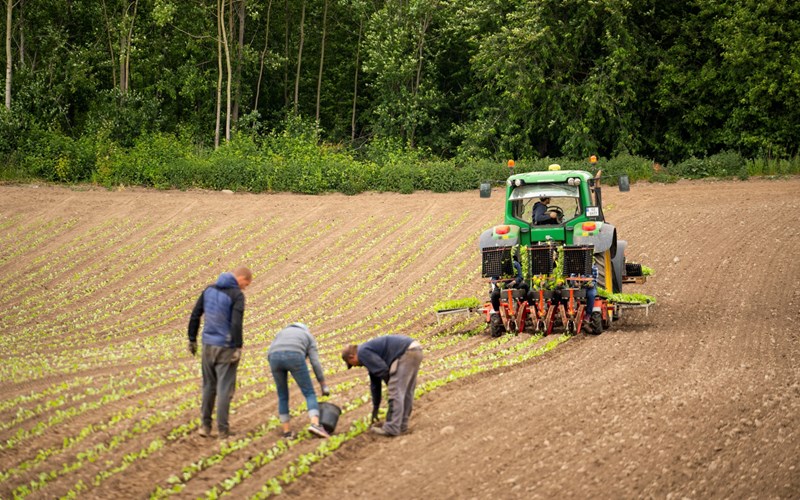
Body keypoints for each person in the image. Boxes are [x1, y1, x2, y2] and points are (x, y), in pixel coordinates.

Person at [187, 267, 252, 439]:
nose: (245, 287)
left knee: (209, 386)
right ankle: (223, 430)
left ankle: (205, 426)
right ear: (240, 278)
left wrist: (192, 338)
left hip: (208, 345)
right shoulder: (237, 295)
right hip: (226, 347)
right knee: (224, 388)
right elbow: (236, 323)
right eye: (246, 283)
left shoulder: (209, 290)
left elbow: (195, 314)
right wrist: (238, 346)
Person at [341, 334, 423, 437]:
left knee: (396, 392)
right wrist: (376, 407)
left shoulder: (362, 352)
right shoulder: (367, 351)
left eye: (352, 364)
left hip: (406, 353)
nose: (356, 366)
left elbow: (382, 370)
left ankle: (392, 428)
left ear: (351, 357)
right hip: (415, 350)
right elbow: (375, 383)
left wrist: (391, 386)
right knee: (406, 392)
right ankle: (402, 426)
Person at [267, 322, 331, 439]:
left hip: (273, 356)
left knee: (282, 395)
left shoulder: (281, 333)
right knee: (309, 392)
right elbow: (315, 362)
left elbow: (270, 351)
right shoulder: (307, 336)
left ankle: (287, 432)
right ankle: (315, 424)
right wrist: (323, 384)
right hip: (294, 355)